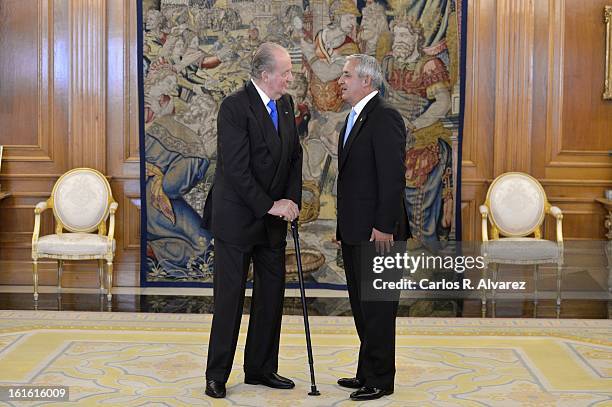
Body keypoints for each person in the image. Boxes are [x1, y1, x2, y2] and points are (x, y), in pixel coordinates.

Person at [201, 42, 302, 399]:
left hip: (272, 221)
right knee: (229, 299)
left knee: (271, 297)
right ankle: (217, 374)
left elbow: (294, 158)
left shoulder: (286, 106)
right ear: (265, 75)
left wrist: (290, 201)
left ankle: (260, 368)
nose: (290, 78)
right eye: (286, 72)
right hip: (237, 218)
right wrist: (271, 205)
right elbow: (237, 170)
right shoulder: (234, 107)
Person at [336, 54, 408, 401]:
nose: (340, 80)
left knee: (379, 309)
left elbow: (392, 179)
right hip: (355, 231)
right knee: (363, 308)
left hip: (380, 234)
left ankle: (380, 380)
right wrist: (342, 225)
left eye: (347, 75)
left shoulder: (385, 117)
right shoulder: (353, 118)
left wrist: (384, 226)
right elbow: (351, 182)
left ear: (367, 81)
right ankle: (367, 372)